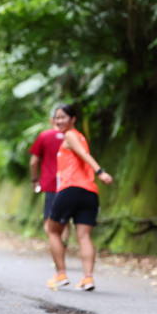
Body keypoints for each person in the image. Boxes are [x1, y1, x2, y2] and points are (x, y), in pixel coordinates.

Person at [46, 104, 113, 291]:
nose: (59, 121)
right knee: (84, 236)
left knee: (53, 230)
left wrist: (100, 171)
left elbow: (83, 155)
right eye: (57, 117)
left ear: (73, 119)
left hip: (71, 189)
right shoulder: (81, 137)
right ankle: (88, 278)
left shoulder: (70, 135)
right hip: (89, 192)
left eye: (63, 117)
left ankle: (61, 274)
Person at [29, 116, 70, 244]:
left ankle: (56, 246)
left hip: (50, 183)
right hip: (69, 182)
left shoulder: (44, 136)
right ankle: (63, 245)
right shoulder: (71, 137)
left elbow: (33, 162)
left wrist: (34, 180)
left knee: (49, 219)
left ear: (51, 120)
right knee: (65, 219)